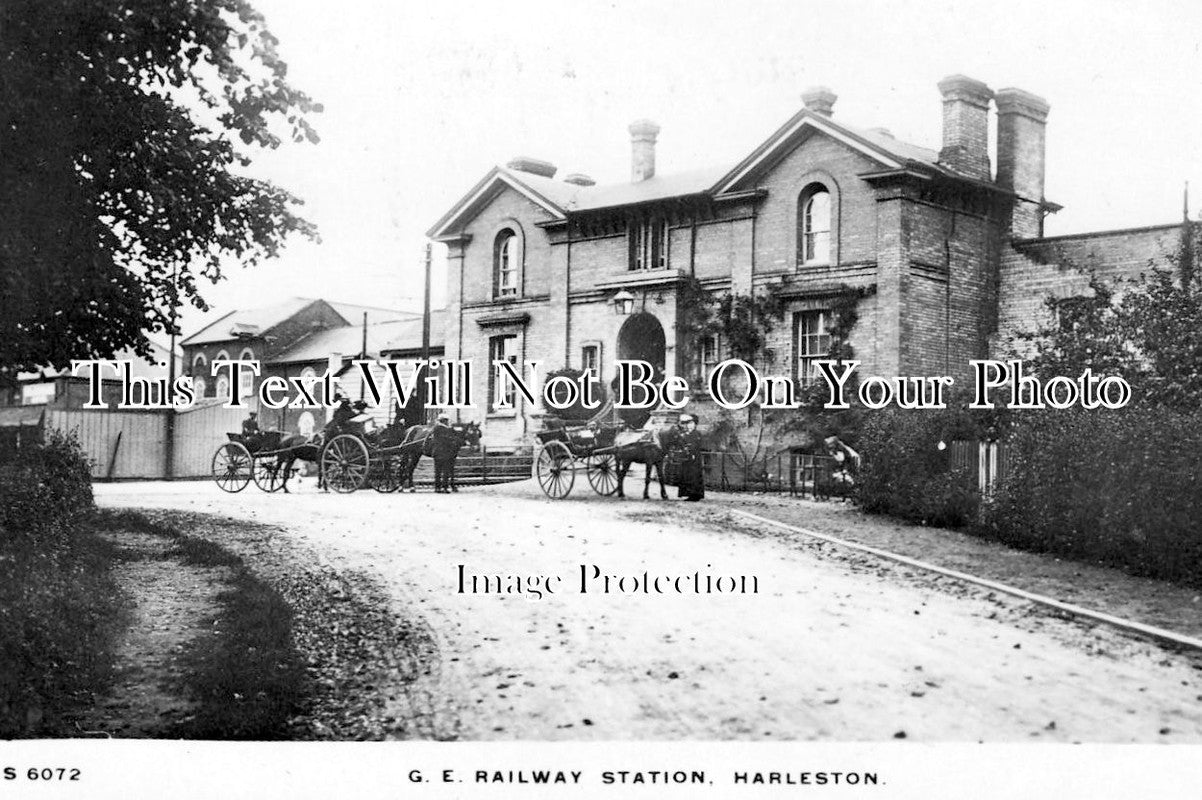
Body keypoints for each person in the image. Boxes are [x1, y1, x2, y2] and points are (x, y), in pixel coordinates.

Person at [674, 413, 705, 501]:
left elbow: (697, 445)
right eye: (688, 424)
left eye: (691, 423)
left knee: (694, 475)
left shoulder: (696, 434)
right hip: (687, 457)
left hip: (694, 457)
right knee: (686, 475)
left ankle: (695, 494)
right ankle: (689, 494)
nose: (689, 426)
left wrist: (693, 452)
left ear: (695, 424)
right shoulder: (686, 434)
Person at [430, 414, 459, 493]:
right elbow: (444, 438)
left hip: (439, 453)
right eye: (446, 420)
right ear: (443, 421)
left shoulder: (439, 428)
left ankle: (438, 487)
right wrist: (451, 439)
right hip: (443, 452)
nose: (447, 422)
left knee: (439, 471)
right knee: (444, 471)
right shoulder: (439, 428)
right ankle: (443, 487)